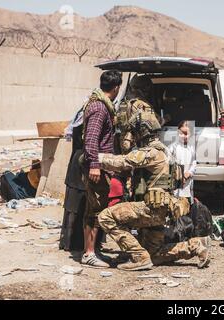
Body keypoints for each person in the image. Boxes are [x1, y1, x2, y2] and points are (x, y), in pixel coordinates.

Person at [96, 110, 211, 271]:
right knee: (155, 255)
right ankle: (195, 245)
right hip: (163, 211)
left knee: (105, 217)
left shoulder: (152, 152)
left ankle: (138, 257)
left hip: (151, 209)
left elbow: (122, 162)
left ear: (142, 132)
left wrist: (95, 158)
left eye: (134, 133)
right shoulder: (166, 151)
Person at [81, 70, 123, 268]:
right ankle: (89, 253)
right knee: (94, 210)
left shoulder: (100, 105)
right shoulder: (99, 108)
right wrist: (95, 166)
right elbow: (91, 139)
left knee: (96, 208)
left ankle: (93, 250)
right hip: (96, 166)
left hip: (101, 165)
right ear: (116, 88)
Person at [59, 108, 86, 252]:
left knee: (73, 205)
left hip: (76, 161)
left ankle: (69, 242)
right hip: (82, 164)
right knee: (77, 204)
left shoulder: (80, 115)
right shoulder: (91, 115)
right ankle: (75, 243)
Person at [168, 121, 197, 206]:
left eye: (186, 134)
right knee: (175, 202)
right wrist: (179, 175)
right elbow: (169, 163)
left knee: (187, 203)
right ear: (178, 132)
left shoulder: (191, 148)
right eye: (182, 133)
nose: (184, 136)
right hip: (176, 181)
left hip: (188, 180)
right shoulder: (173, 147)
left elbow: (194, 163)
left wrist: (189, 173)